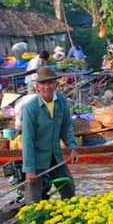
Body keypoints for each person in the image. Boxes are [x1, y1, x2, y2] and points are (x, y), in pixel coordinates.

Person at [21, 67, 79, 204]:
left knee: (68, 187)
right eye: (43, 84)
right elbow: (28, 140)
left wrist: (73, 147)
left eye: (50, 83)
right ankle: (30, 220)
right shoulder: (31, 108)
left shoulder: (62, 102)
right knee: (33, 197)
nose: (47, 87)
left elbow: (66, 127)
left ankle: (69, 214)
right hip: (37, 158)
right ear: (37, 87)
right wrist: (29, 169)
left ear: (56, 85)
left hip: (55, 155)